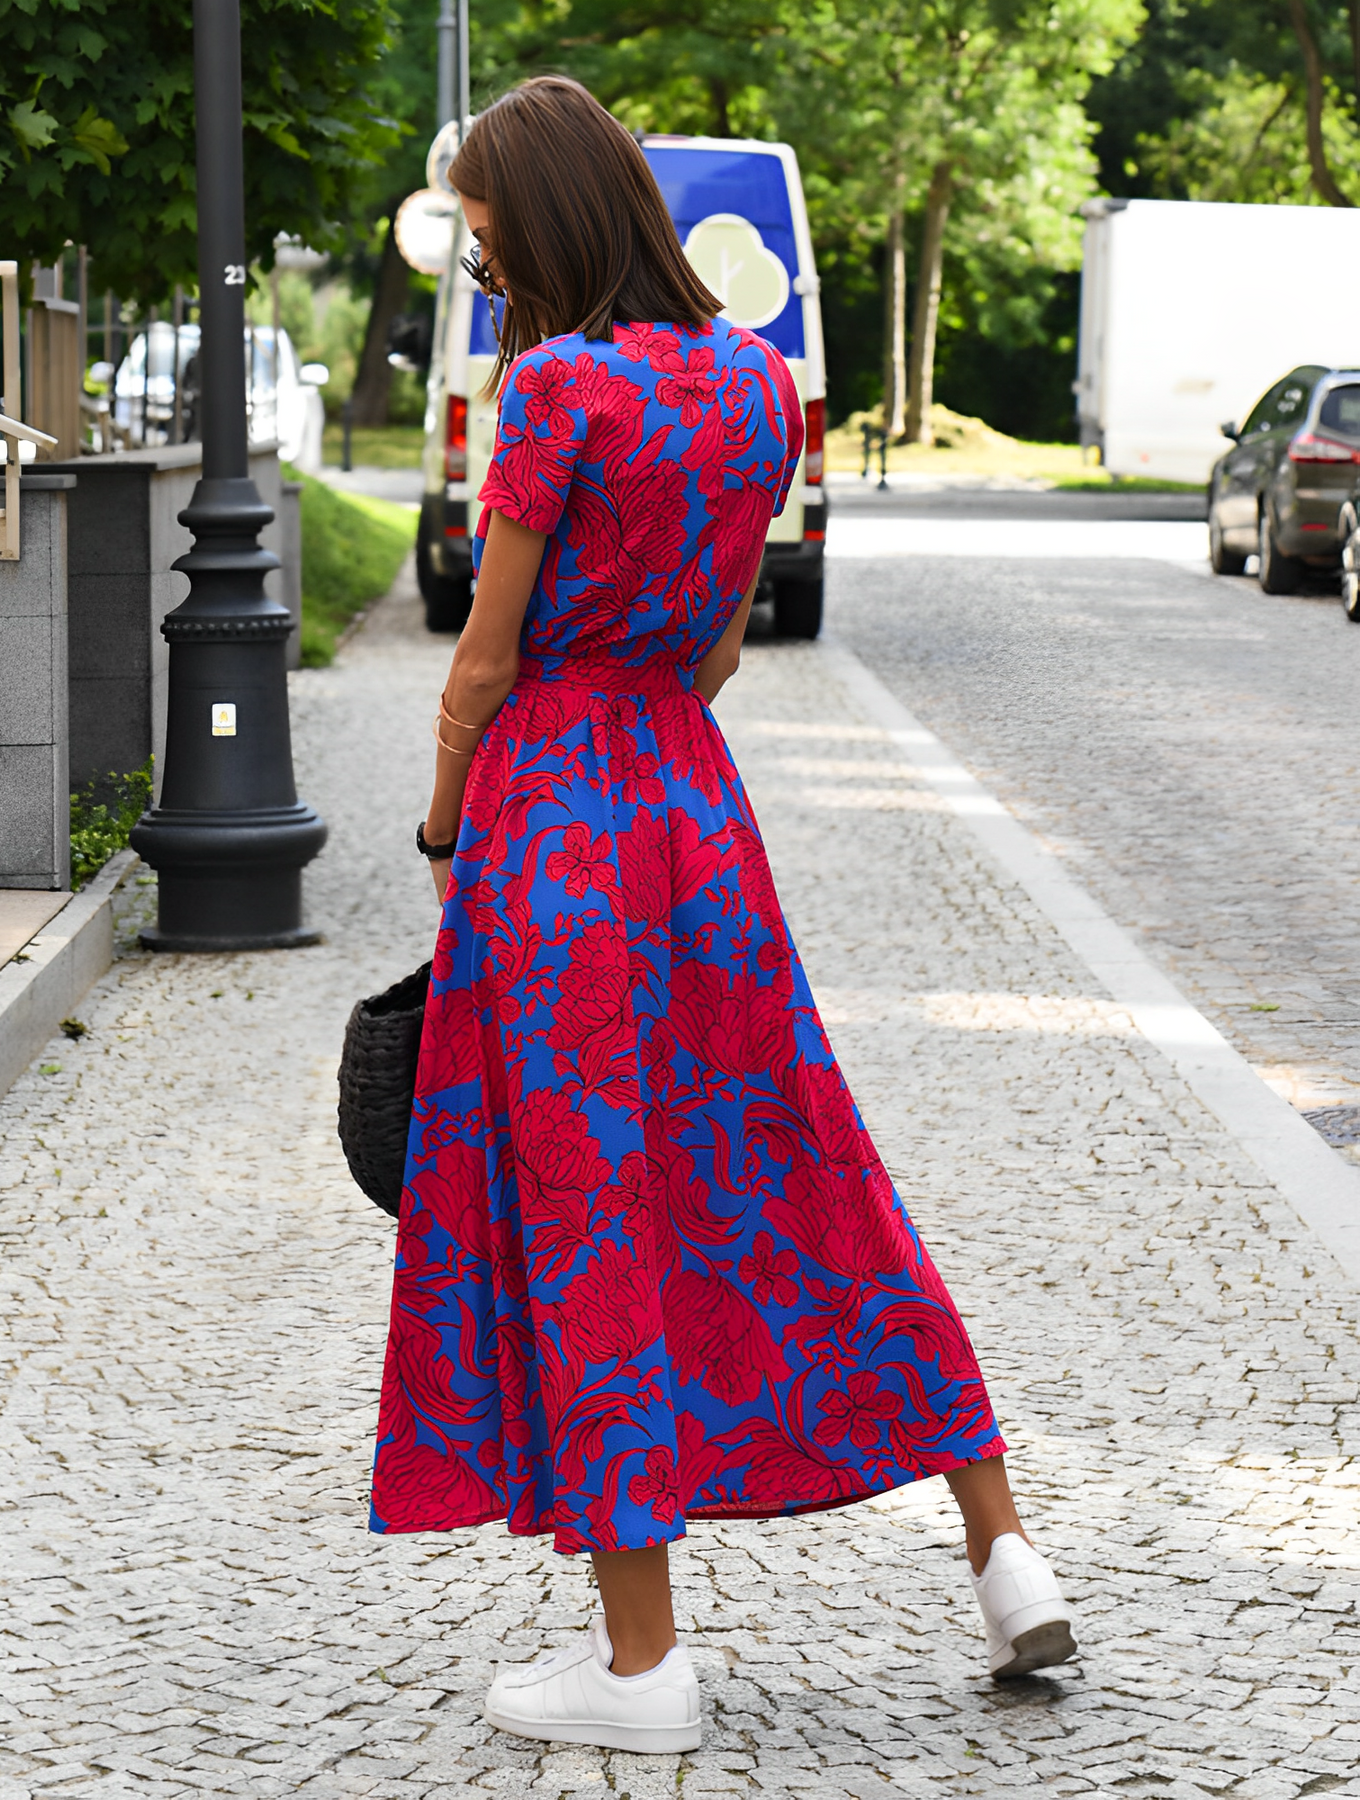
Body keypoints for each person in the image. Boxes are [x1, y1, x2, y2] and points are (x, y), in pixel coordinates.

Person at [370, 75, 1076, 1755]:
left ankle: (645, 1670)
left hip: (555, 829)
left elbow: (484, 654)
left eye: (485, 229)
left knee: (589, 1208)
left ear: (542, 217)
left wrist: (448, 814)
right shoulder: (758, 382)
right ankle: (1005, 1553)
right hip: (695, 822)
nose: (480, 259)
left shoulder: (555, 389)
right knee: (803, 1162)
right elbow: (717, 648)